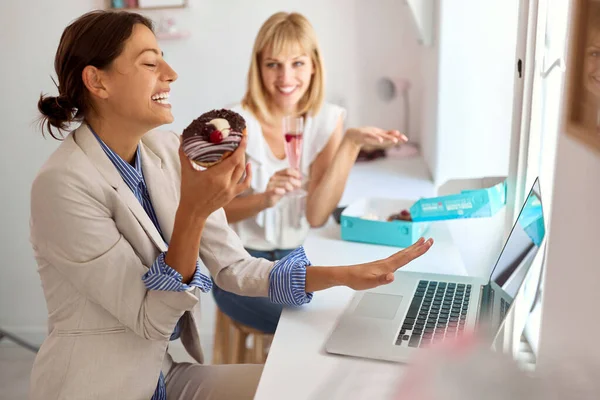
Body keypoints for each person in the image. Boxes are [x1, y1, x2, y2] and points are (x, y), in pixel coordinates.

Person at [30, 10, 432, 400]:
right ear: (97, 81)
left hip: (164, 376)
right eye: (151, 63)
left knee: (316, 386)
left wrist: (346, 274)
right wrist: (194, 211)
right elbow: (150, 321)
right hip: (103, 388)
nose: (171, 74)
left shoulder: (166, 150)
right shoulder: (63, 185)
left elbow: (235, 267)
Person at [213, 12, 408, 334]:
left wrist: (350, 143)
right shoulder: (232, 123)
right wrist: (264, 199)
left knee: (351, 314)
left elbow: (316, 216)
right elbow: (210, 213)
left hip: (302, 258)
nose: (285, 77)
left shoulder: (328, 120)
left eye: (297, 63)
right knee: (313, 325)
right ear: (258, 67)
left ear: (314, 65)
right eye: (273, 64)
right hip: (241, 264)